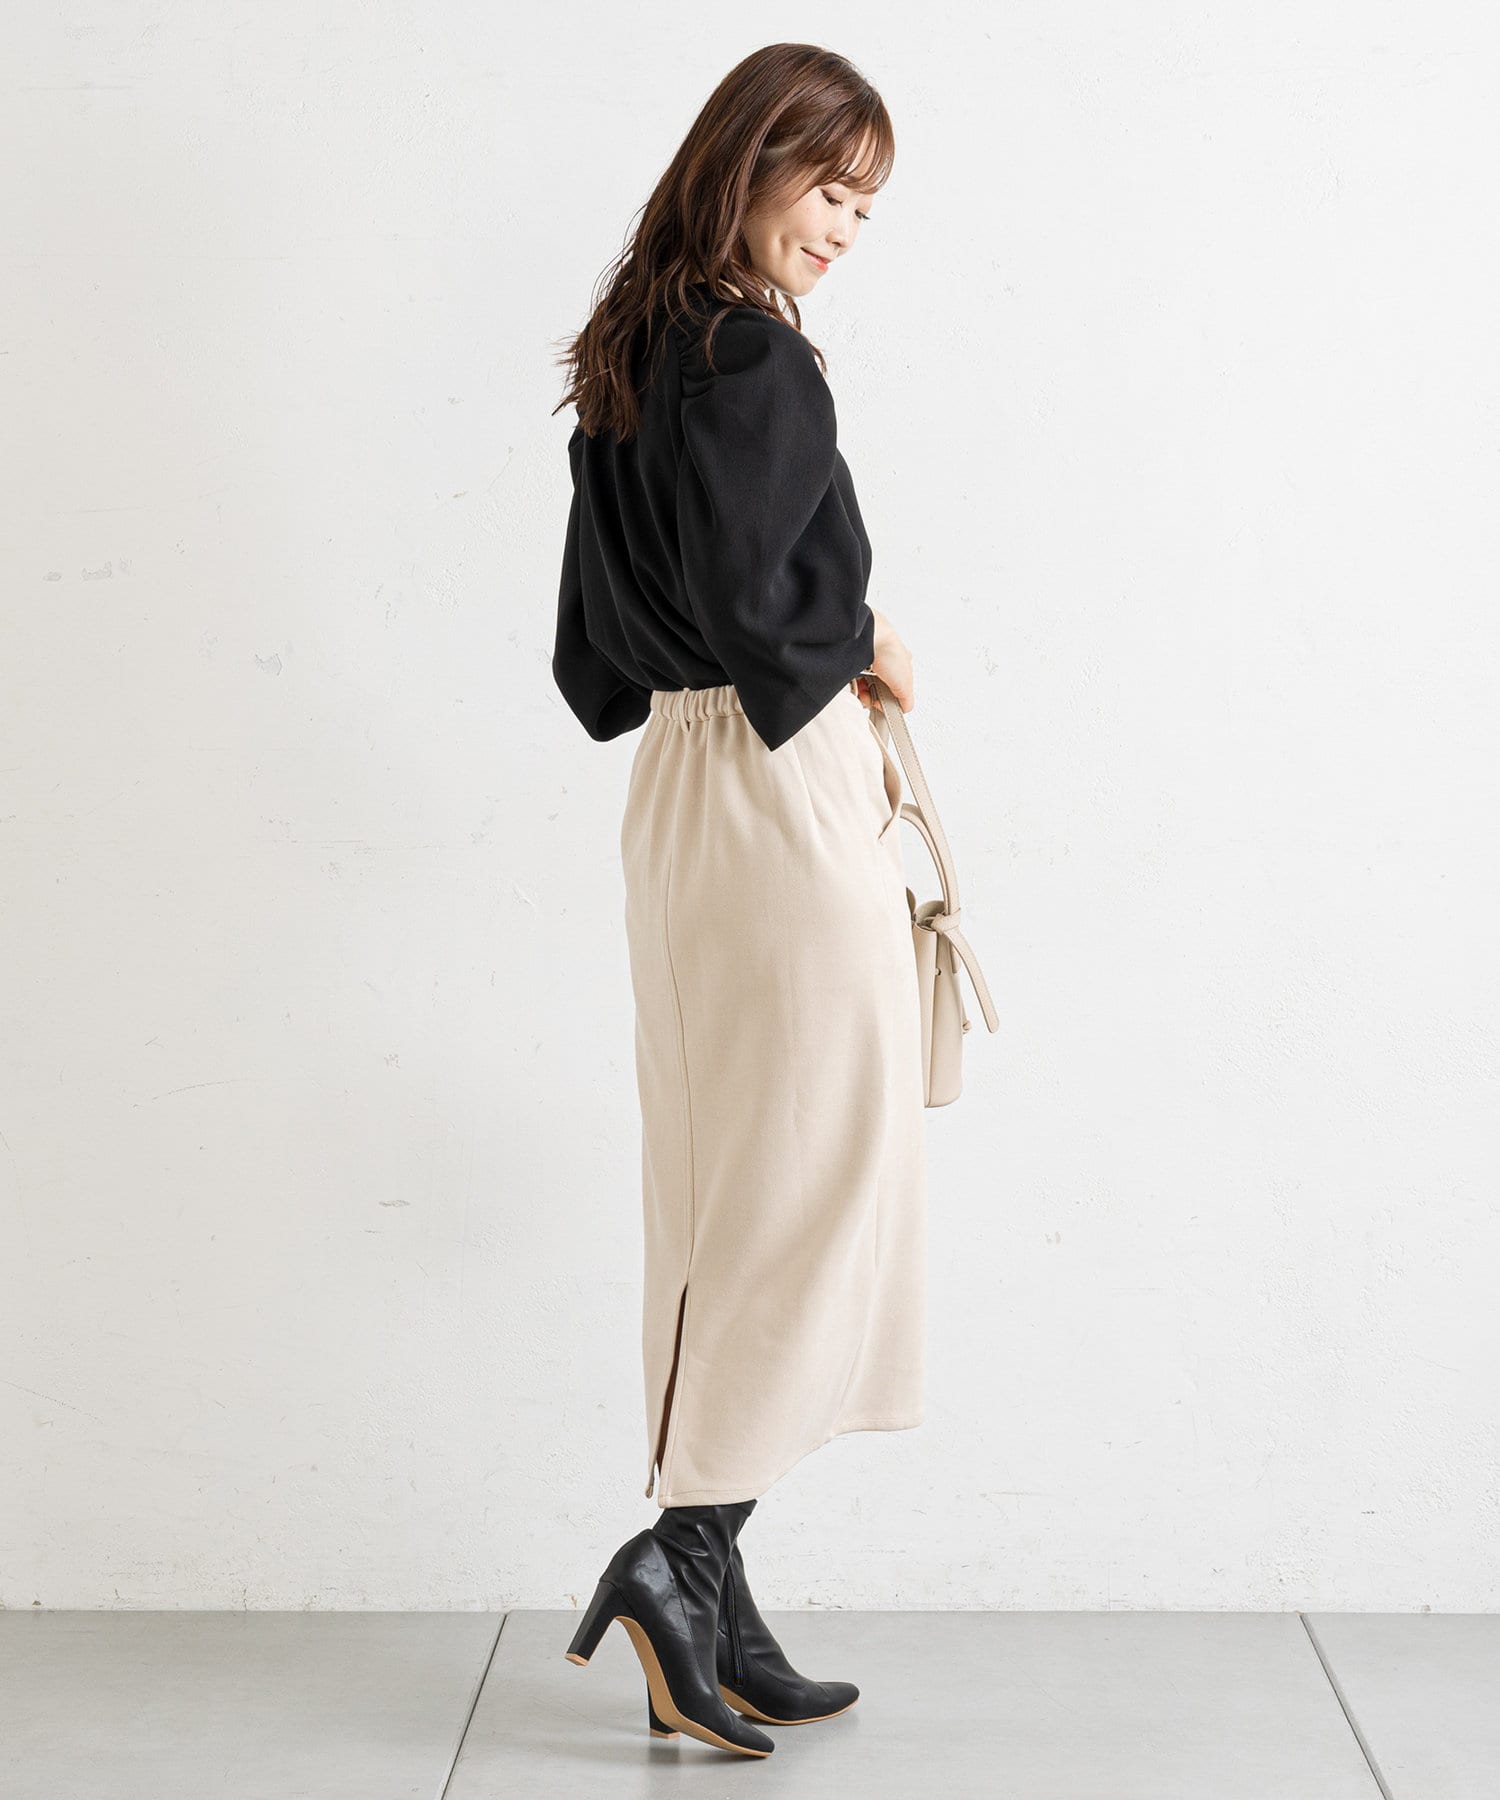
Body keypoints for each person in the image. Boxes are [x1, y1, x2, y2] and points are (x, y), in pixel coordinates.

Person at [551, 43, 924, 1759]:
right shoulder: (751, 353)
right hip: (780, 790)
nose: (842, 227)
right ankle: (679, 1557)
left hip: (685, 789)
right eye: (827, 187)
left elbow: (599, 646)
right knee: (810, 1175)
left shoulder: (634, 347)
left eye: (865, 206)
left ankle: (714, 1586)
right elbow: (774, 613)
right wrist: (872, 639)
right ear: (748, 163)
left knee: (735, 1185)